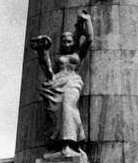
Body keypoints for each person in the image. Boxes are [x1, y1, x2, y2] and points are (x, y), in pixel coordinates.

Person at [29, 9, 93, 153]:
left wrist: (87, 19)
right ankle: (69, 142)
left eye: (69, 41)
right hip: (57, 83)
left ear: (73, 42)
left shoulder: (78, 54)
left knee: (67, 106)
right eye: (63, 41)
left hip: (72, 82)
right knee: (57, 111)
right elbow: (49, 72)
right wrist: (43, 53)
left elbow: (89, 38)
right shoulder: (59, 59)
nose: (66, 44)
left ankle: (69, 144)